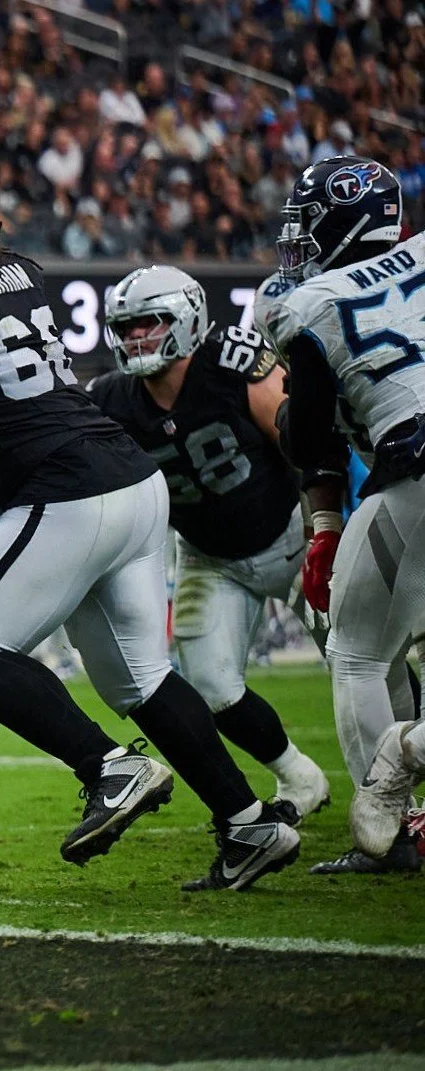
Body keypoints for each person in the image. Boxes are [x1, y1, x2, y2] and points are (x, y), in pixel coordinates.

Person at [0, 161, 298, 891]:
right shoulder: (16, 269)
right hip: (134, 481)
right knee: (140, 676)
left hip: (63, 487)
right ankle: (246, 822)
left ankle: (107, 767)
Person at [87, 265, 331, 820]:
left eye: (147, 324)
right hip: (209, 558)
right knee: (211, 687)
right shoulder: (110, 398)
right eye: (125, 329)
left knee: (357, 662)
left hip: (294, 536)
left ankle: (393, 795)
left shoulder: (234, 364)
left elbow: (305, 445)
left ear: (186, 318)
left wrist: (326, 527)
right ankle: (300, 778)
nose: (135, 339)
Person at [260, 157, 425, 871]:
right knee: (364, 646)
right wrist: (325, 524)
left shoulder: (308, 303)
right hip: (401, 481)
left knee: (355, 652)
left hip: (409, 477)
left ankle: (401, 756)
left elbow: (307, 435)